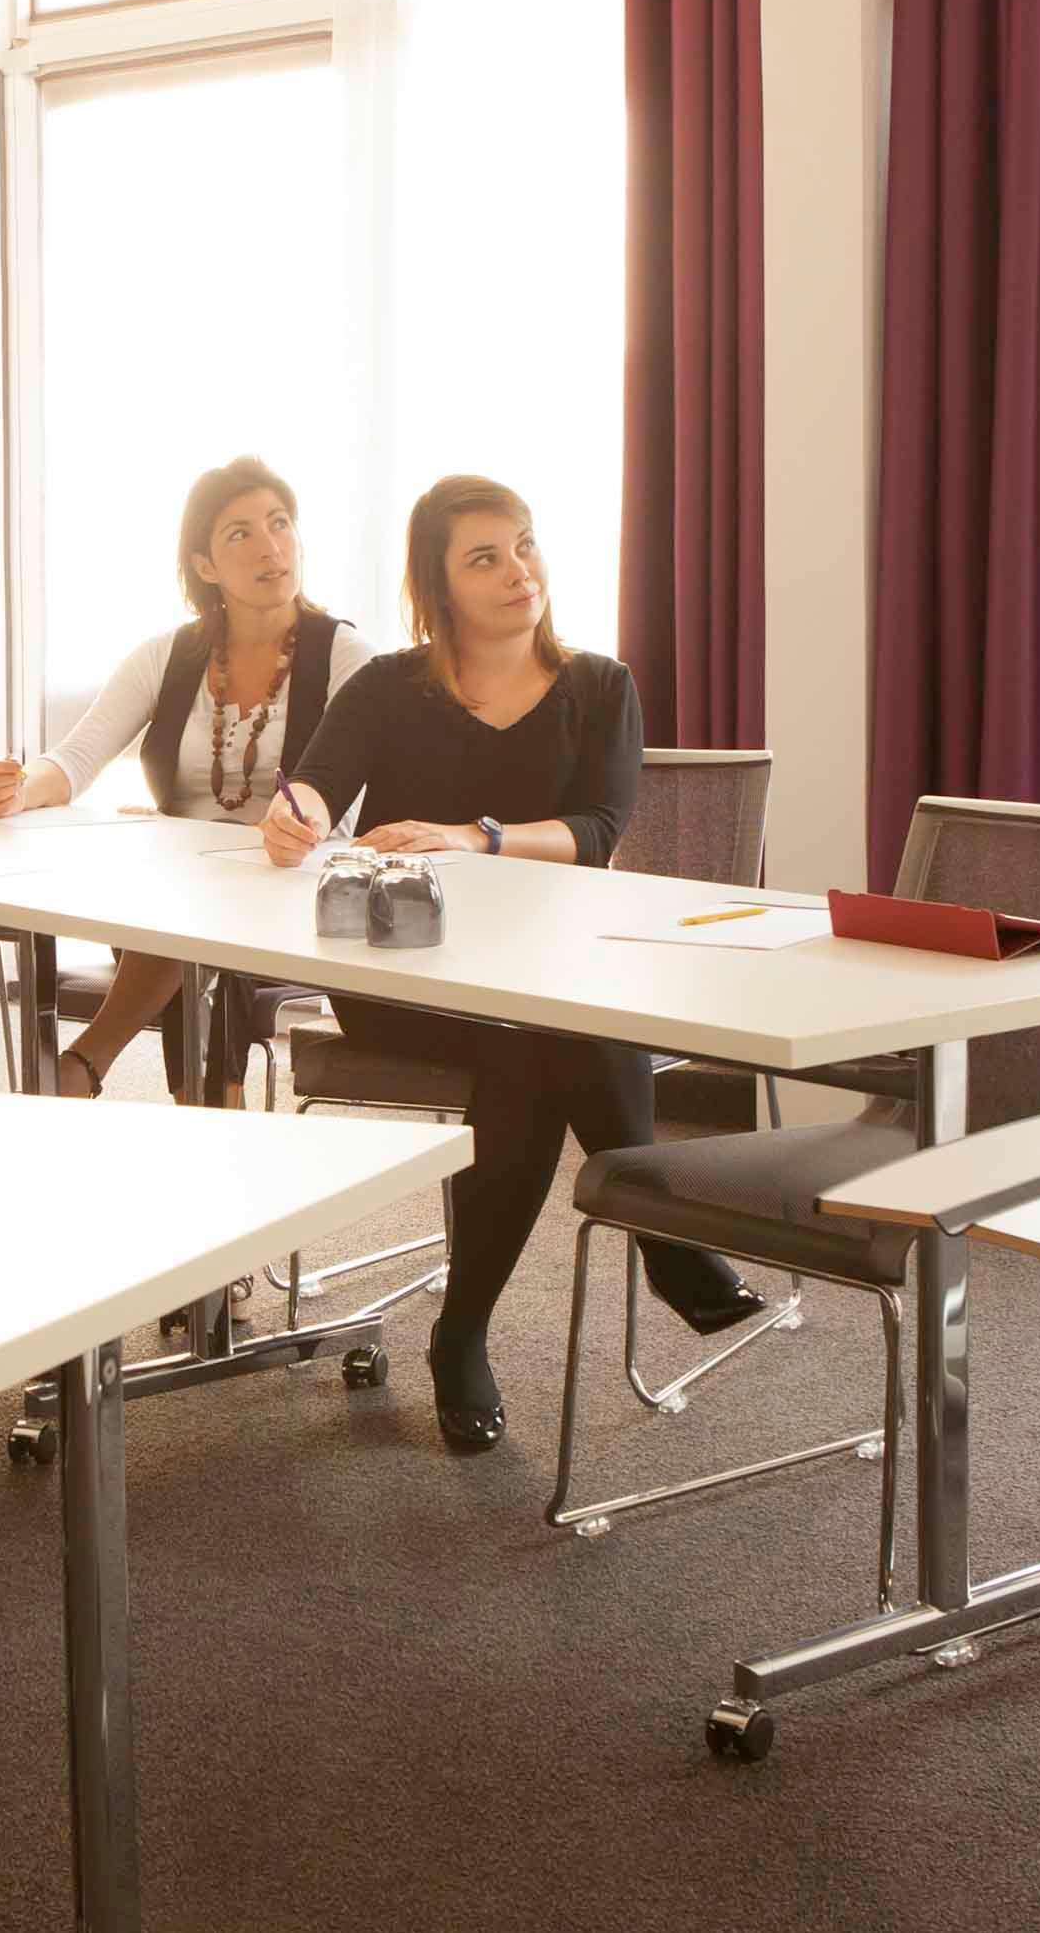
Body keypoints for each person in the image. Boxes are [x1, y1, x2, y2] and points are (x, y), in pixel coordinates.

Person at [259, 474, 759, 1451]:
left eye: (524, 545)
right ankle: (660, 1231)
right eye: (485, 557)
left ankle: (464, 1334)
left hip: (543, 972)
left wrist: (474, 836)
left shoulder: (599, 687)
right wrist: (300, 817)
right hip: (404, 972)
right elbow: (316, 784)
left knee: (534, 1038)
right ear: (438, 585)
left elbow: (600, 830)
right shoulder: (389, 688)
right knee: (548, 1032)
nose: (518, 570)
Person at [0, 457, 369, 1103]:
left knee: (192, 921)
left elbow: (342, 814)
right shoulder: (167, 657)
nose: (271, 547)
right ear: (205, 566)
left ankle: (90, 1063)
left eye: (280, 524)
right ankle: (208, 1114)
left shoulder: (347, 658)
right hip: (168, 905)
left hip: (294, 891)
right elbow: (73, 762)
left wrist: (271, 838)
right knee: (186, 917)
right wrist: (21, 786)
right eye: (240, 534)